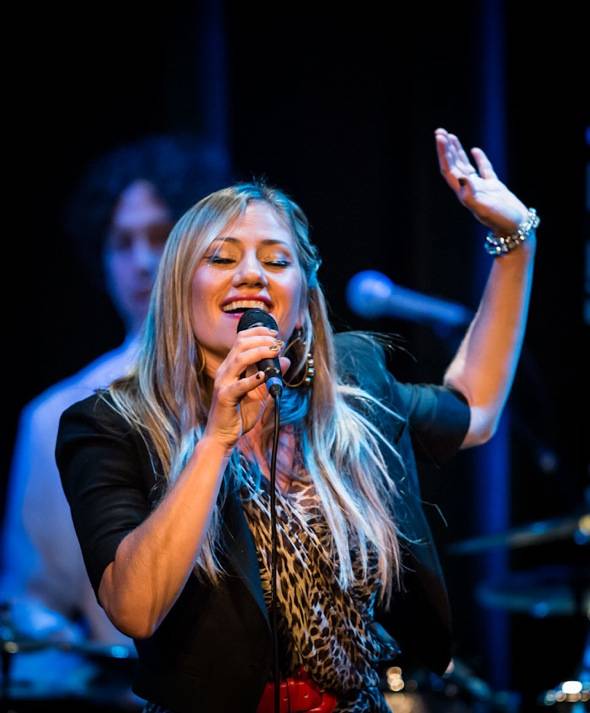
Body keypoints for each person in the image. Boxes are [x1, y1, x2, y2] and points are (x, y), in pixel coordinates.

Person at [54, 127, 538, 713]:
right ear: (179, 293)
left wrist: (515, 243)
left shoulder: (352, 391)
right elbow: (134, 608)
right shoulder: (113, 425)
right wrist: (216, 439)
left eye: (276, 260)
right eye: (222, 257)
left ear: (304, 305)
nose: (252, 274)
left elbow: (475, 412)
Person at [0, 134, 232, 694]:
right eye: (121, 243)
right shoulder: (57, 416)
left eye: (160, 236)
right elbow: (33, 600)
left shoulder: (260, 384)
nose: (143, 262)